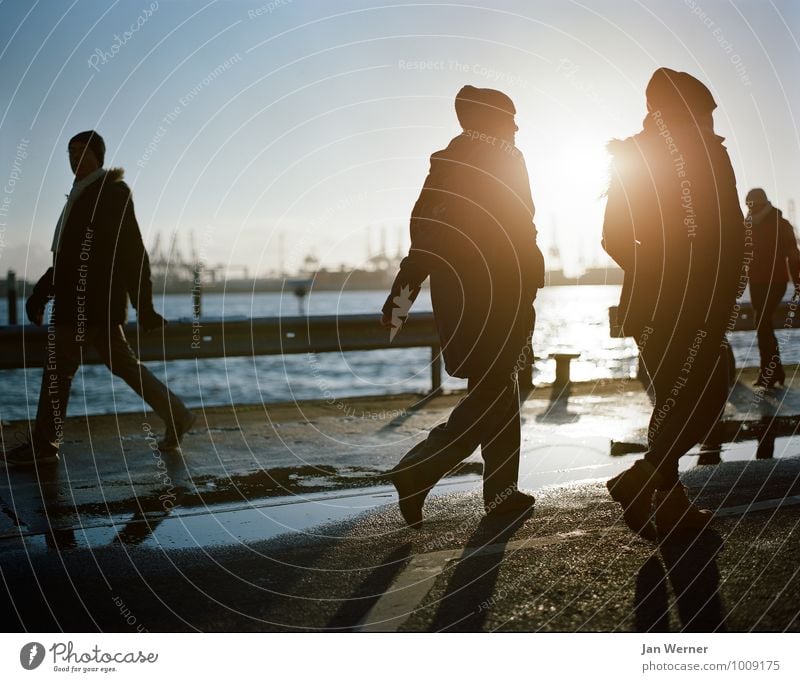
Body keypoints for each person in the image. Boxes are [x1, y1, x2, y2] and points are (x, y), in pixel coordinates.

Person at [381, 85, 545, 528]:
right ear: (491, 121)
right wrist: (529, 281)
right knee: (494, 389)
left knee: (496, 385)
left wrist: (405, 291)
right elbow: (520, 227)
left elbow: (425, 230)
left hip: (459, 294)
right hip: (498, 291)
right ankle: (419, 468)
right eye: (509, 118)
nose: (515, 126)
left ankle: (502, 492)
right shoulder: (505, 157)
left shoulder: (446, 163)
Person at [602, 69, 744, 538]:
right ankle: (643, 478)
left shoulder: (631, 156)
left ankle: (668, 507)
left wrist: (655, 273)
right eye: (704, 112)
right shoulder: (705, 154)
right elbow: (729, 231)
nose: (710, 121)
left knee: (674, 401)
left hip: (647, 306)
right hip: (696, 303)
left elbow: (613, 238)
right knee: (710, 386)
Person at [2, 131, 195, 467]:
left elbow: (133, 252)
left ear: (98, 155)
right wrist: (40, 294)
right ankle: (177, 414)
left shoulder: (111, 194)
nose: (74, 158)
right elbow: (66, 259)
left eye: (81, 152)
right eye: (69, 152)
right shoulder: (82, 195)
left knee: (58, 370)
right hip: (90, 305)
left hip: (87, 305)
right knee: (123, 366)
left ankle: (45, 445)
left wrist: (144, 307)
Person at [745, 187, 800, 388]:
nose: (750, 209)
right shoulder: (749, 225)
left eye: (751, 205)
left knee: (761, 322)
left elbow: (793, 256)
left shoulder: (780, 225)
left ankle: (770, 372)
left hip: (774, 282)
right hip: (757, 282)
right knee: (762, 324)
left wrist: (798, 283)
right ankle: (773, 371)